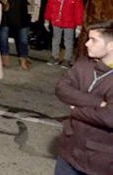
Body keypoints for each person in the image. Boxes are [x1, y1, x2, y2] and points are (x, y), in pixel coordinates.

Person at [54, 20, 113, 175]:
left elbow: (110, 117)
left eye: (93, 40)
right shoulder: (84, 63)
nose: (87, 44)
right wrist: (98, 103)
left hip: (100, 161)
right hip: (69, 152)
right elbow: (62, 88)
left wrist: (76, 110)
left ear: (111, 46)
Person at [46, 0, 85, 67]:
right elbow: (49, 8)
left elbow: (79, 13)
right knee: (56, 39)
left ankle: (67, 59)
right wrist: (47, 20)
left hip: (69, 24)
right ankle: (54, 56)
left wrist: (79, 26)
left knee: (68, 41)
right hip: (56, 22)